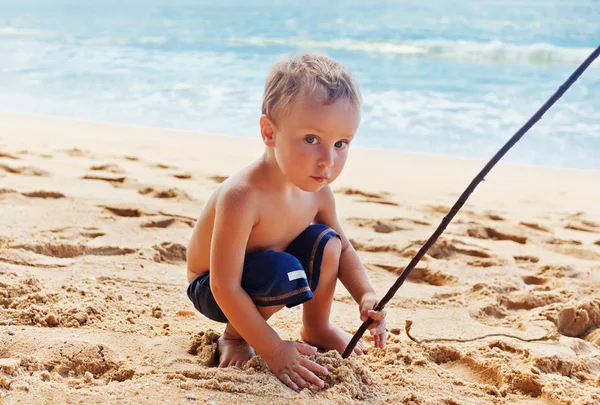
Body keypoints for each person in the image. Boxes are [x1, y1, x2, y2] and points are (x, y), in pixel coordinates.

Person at [186, 53, 387, 391]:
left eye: (341, 144)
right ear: (269, 132)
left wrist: (366, 295)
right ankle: (234, 336)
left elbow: (344, 249)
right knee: (283, 269)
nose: (328, 160)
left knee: (327, 242)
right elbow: (223, 285)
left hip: (270, 272)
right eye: (311, 139)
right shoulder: (243, 196)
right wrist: (275, 350)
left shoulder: (319, 193)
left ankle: (317, 326)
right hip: (214, 288)